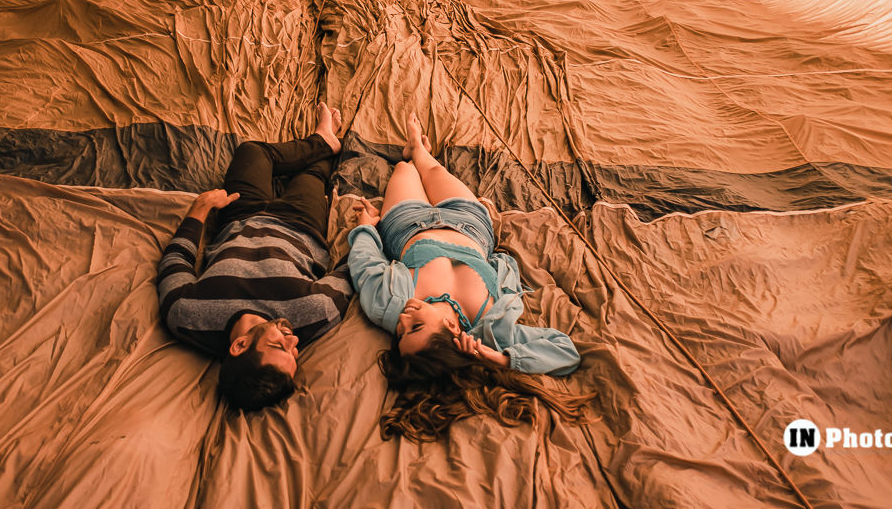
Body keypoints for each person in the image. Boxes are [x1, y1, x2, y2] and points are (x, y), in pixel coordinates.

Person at [348, 112, 593, 441]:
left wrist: (365, 226)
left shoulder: (390, 307)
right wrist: (502, 359)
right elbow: (565, 352)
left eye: (401, 333)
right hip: (470, 225)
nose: (404, 320)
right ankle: (420, 150)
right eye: (415, 327)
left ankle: (414, 152)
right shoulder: (491, 329)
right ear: (450, 329)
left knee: (405, 168)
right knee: (432, 168)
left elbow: (365, 264)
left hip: (407, 225)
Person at [157, 102, 353, 412]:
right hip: (300, 223)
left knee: (252, 151)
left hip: (238, 216)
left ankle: (321, 139)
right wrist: (367, 229)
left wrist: (202, 206)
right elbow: (350, 269)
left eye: (279, 345)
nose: (294, 342)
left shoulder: (187, 315)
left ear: (240, 345)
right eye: (293, 352)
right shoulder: (315, 312)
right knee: (315, 172)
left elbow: (175, 261)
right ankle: (324, 144)